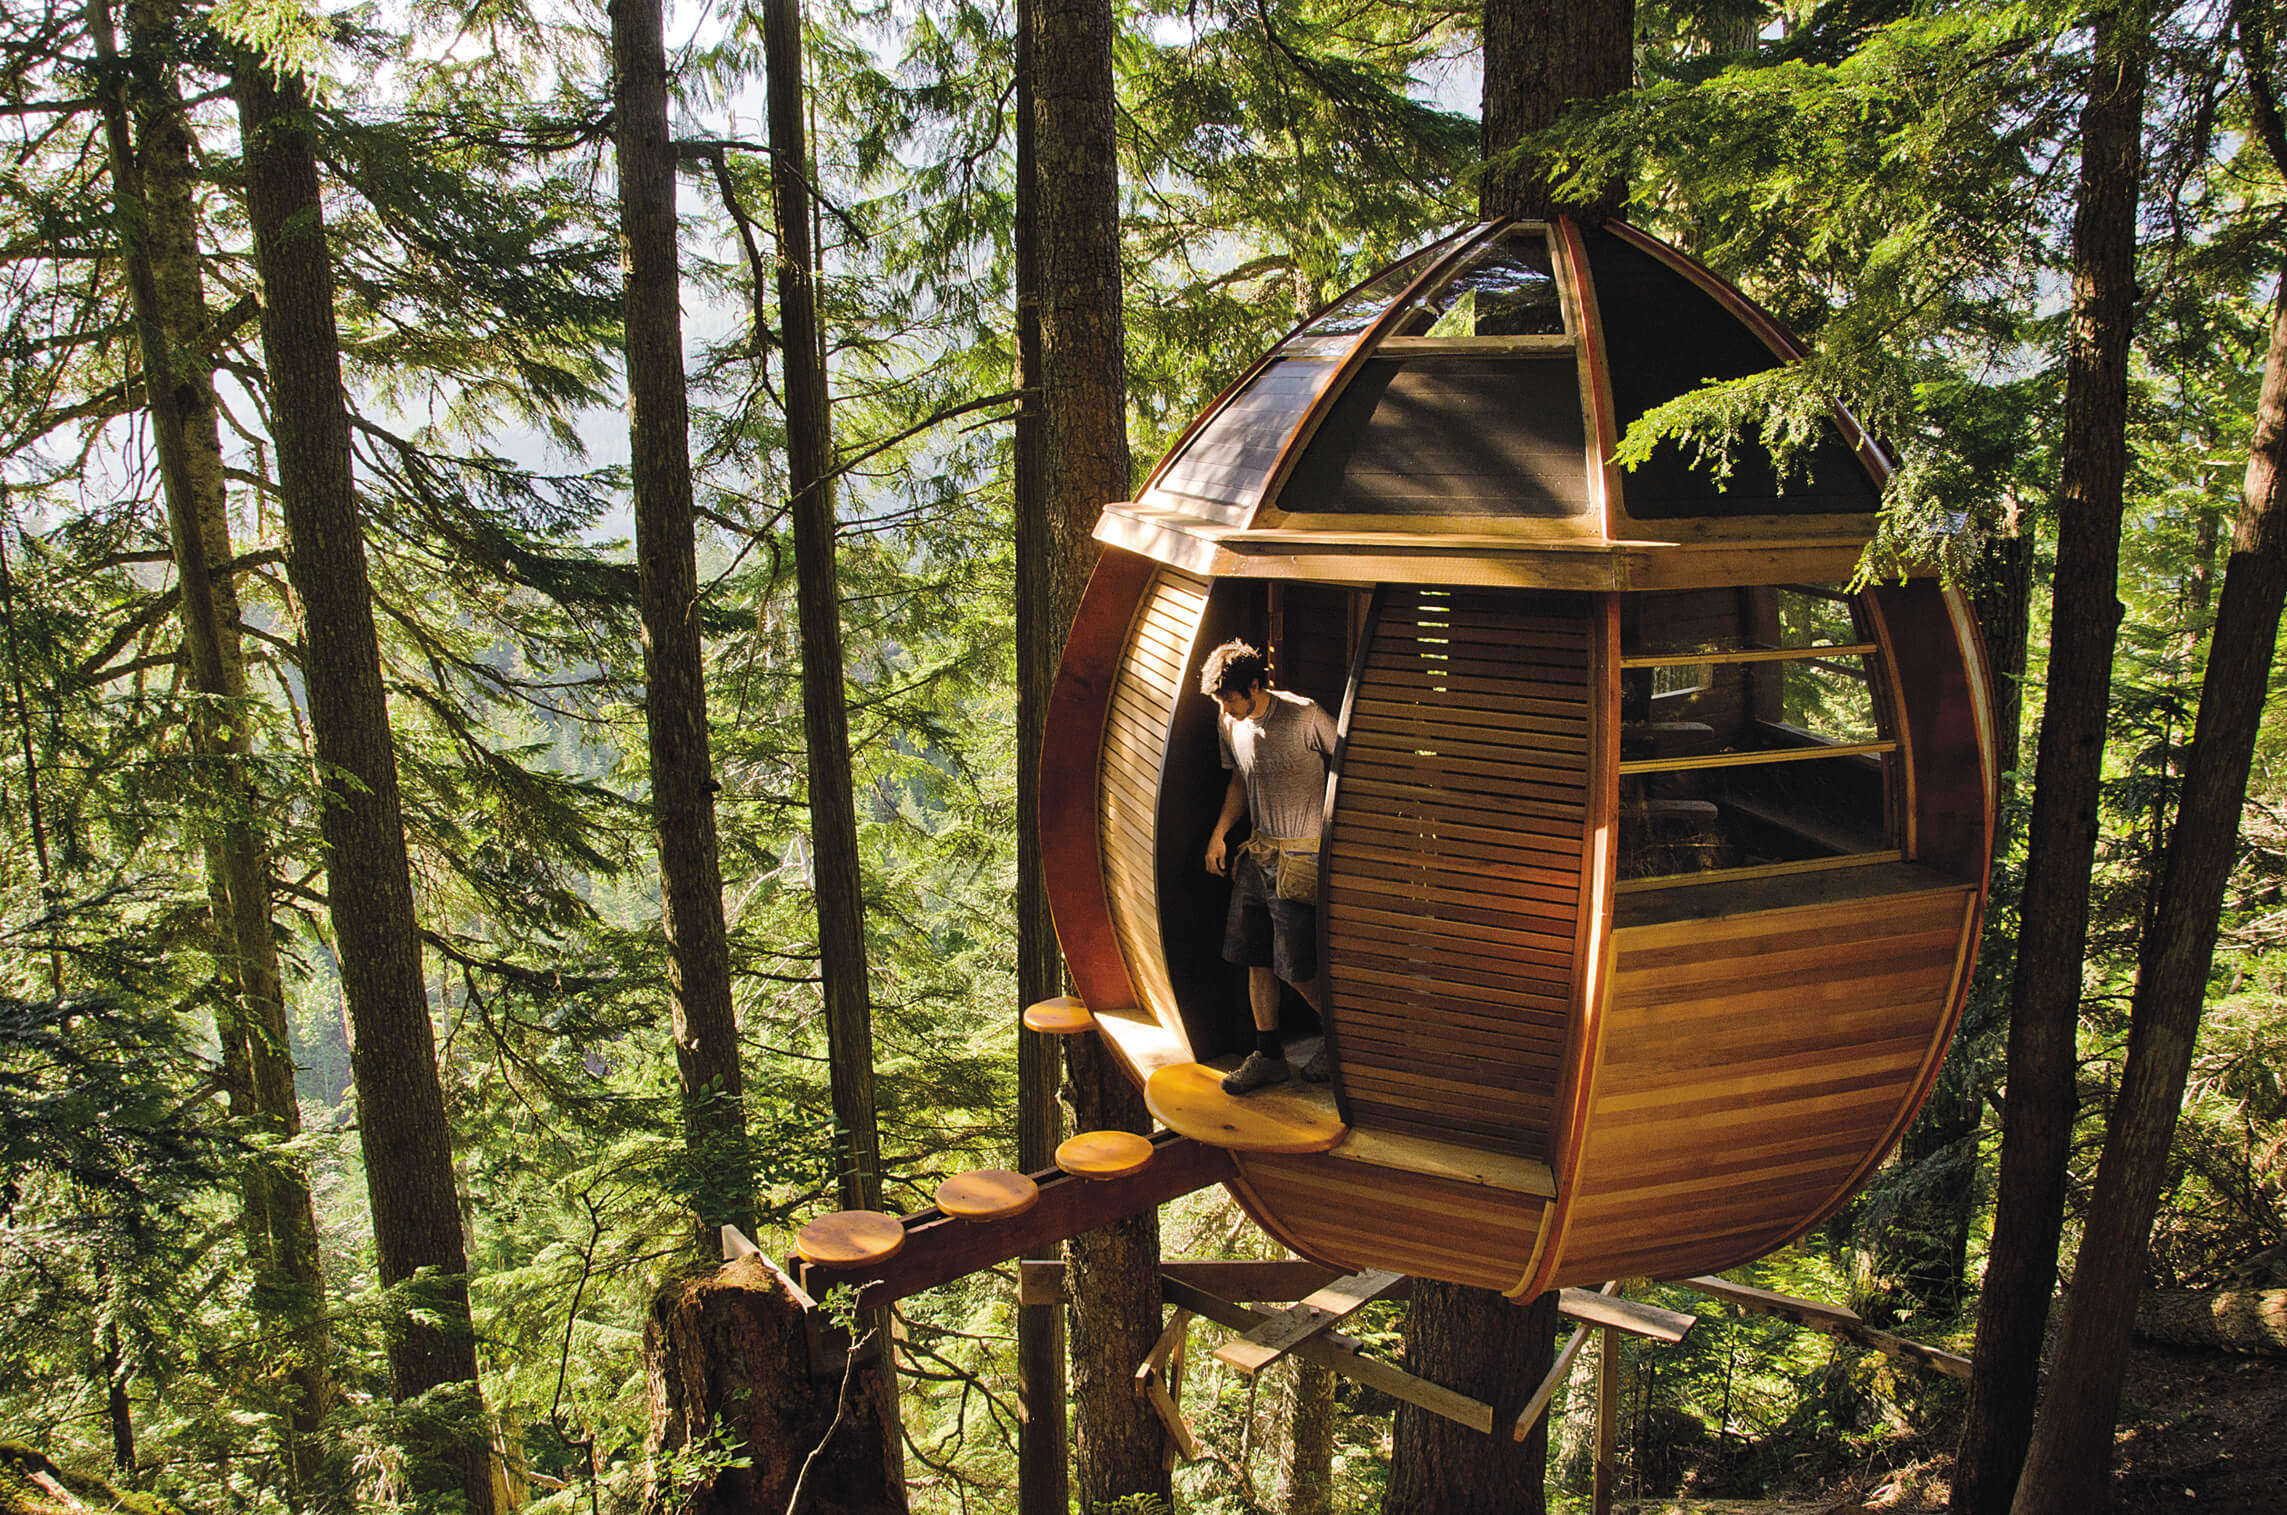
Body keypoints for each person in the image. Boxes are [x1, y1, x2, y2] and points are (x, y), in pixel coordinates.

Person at [1199, 639, 1338, 1094]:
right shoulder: (1230, 723)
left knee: (1297, 969)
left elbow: (1352, 765)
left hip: (1302, 862)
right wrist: (1220, 833)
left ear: (1255, 686)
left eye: (1230, 699)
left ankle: (1344, 1048)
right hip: (1257, 858)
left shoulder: (1305, 716)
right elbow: (1241, 777)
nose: (1224, 709)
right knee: (1254, 958)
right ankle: (1269, 1056)